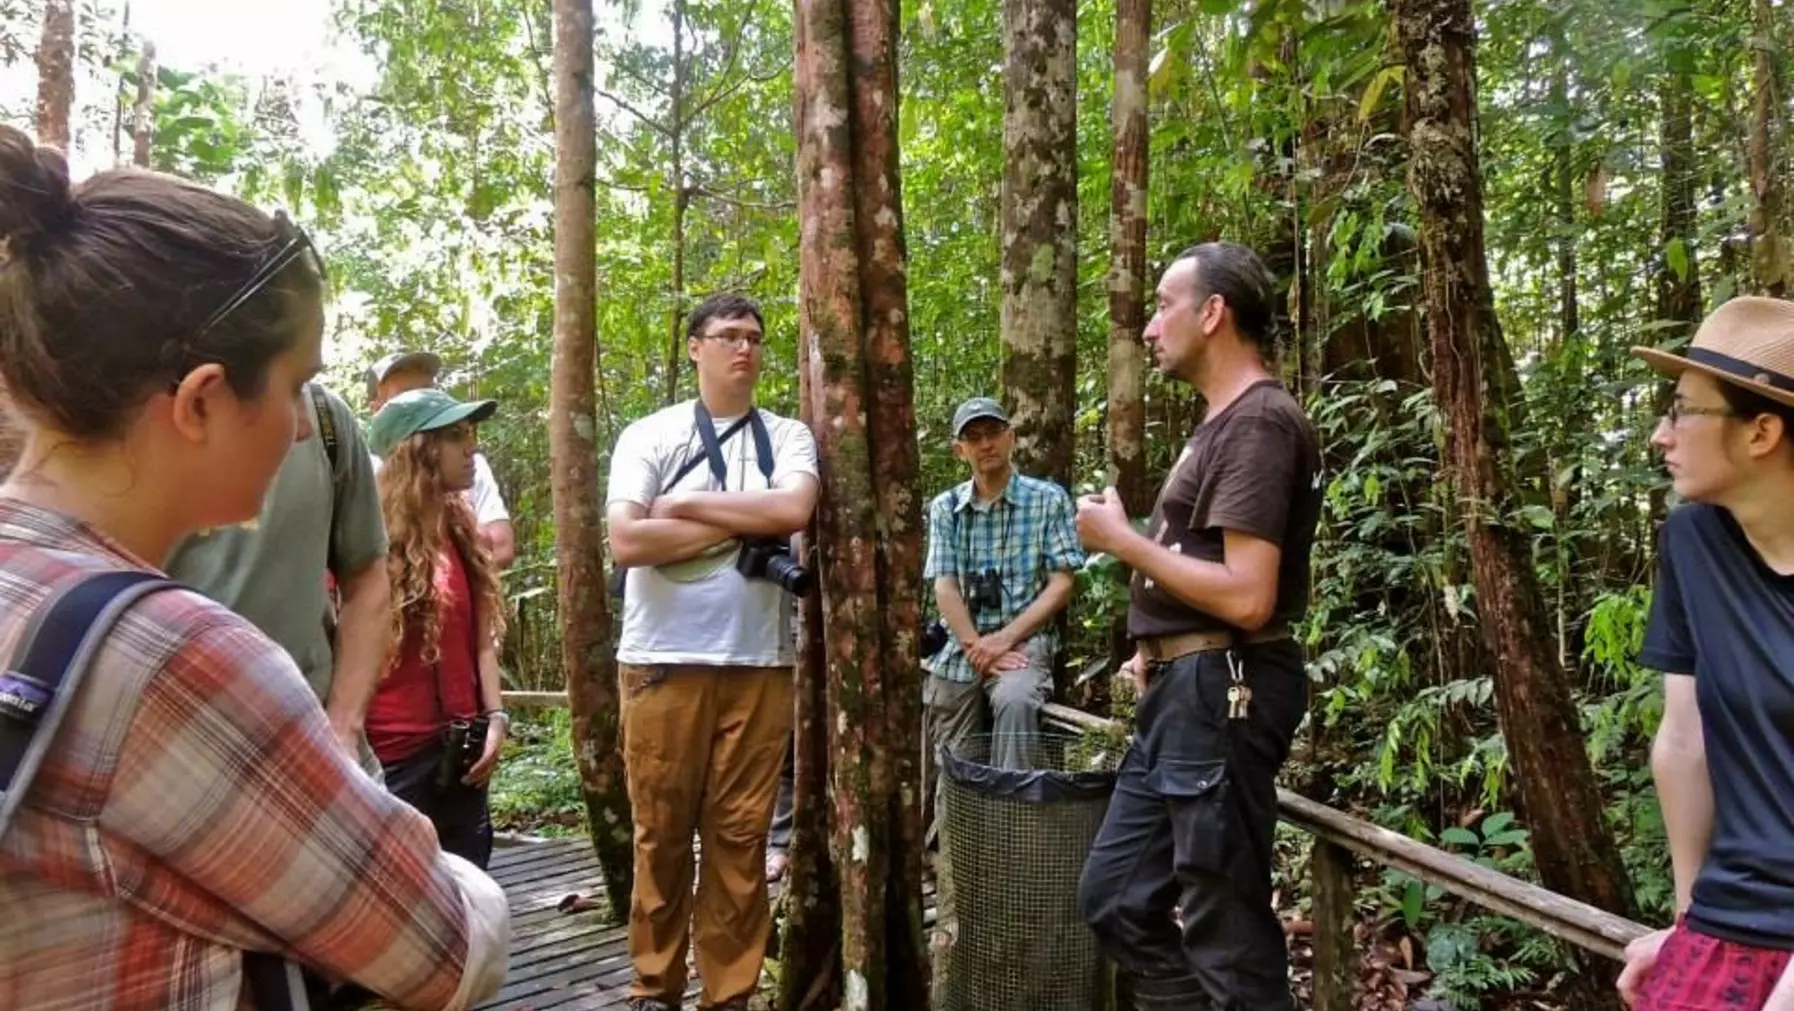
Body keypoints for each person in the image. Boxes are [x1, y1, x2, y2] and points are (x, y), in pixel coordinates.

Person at [0, 126, 507, 1010]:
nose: (306, 426)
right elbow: (446, 948)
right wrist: (461, 880)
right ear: (201, 400)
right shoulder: (176, 659)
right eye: (294, 386)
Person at [1073, 242, 1322, 1010]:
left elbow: (1249, 596)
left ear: (1213, 313)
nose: (1150, 326)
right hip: (1186, 689)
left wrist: (1124, 543)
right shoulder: (1220, 424)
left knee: (1226, 928)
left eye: (1162, 305)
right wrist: (1159, 645)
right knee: (1115, 895)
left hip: (1227, 689)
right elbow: (1203, 572)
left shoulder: (1258, 424)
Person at [605, 291, 819, 1011]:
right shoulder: (650, 435)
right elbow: (629, 541)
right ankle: (653, 986)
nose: (745, 349)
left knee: (740, 837)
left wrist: (682, 506)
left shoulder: (787, 436)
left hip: (760, 663)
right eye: (728, 335)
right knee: (660, 832)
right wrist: (737, 520)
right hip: (663, 658)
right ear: (696, 346)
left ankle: (728, 994)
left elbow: (791, 511)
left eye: (755, 337)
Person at [1616, 297, 1794, 1011]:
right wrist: (1690, 925)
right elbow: (1684, 740)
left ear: (1762, 431)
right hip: (1734, 914)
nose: (1662, 434)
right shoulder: (1694, 543)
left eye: (1685, 411)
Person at [163, 377, 391, 777]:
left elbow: (368, 575)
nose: (300, 427)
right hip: (177, 759)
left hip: (314, 747)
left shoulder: (325, 419)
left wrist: (343, 728)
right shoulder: (124, 421)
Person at [365, 388, 511, 870]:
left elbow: (482, 637)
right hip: (394, 760)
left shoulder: (461, 530)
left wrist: (495, 717)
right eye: (454, 436)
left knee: (468, 902)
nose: (471, 448)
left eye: (470, 434)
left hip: (462, 757)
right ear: (417, 450)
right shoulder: (365, 538)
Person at [923, 395, 1083, 773]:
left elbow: (1062, 583)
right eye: (973, 437)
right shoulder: (947, 507)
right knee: (948, 729)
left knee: (1015, 701)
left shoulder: (1048, 500)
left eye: (993, 433)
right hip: (964, 643)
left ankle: (1014, 822)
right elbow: (944, 584)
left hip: (1023, 642)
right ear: (959, 449)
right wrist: (979, 646)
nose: (985, 444)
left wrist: (1003, 640)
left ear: (1011, 437)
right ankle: (957, 828)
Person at [368, 350, 516, 569]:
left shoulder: (468, 470)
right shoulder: (361, 472)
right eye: (408, 395)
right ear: (378, 408)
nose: (424, 400)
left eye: (428, 390)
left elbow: (501, 547)